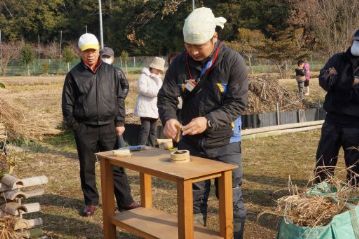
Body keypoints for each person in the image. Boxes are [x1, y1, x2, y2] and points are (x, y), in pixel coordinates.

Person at [157, 7, 248, 239]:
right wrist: (168, 118)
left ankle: (233, 235)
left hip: (226, 141)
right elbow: (166, 96)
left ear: (214, 38)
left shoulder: (232, 62)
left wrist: (208, 121)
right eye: (188, 46)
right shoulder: (180, 63)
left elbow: (237, 104)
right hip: (191, 142)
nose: (193, 51)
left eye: (199, 46)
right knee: (193, 197)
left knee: (231, 197)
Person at [62, 33, 139, 217]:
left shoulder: (112, 72)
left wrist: (120, 121)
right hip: (85, 128)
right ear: (80, 52)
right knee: (87, 167)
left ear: (99, 50)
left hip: (108, 127)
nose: (90, 54)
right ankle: (90, 201)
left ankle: (125, 201)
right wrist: (75, 126)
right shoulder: (73, 75)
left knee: (116, 165)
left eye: (93, 51)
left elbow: (119, 99)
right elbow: (67, 103)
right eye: (86, 51)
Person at [314, 29, 359, 185]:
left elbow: (333, 81)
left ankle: (354, 194)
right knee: (324, 157)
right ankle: (321, 188)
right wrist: (351, 82)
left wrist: (337, 79)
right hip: (332, 119)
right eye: (356, 40)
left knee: (355, 163)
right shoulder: (337, 58)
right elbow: (324, 80)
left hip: (356, 123)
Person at [100, 46, 129, 148]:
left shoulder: (117, 71)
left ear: (112, 58)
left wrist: (120, 97)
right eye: (104, 56)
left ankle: (121, 153)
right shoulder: (96, 72)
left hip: (116, 107)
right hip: (102, 108)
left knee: (118, 131)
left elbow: (125, 85)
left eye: (108, 57)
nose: (106, 59)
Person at [134, 57, 165, 146]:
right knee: (145, 130)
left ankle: (152, 148)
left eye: (160, 69)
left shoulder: (159, 79)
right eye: (158, 69)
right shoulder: (144, 76)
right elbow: (142, 89)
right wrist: (156, 92)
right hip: (145, 108)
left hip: (154, 108)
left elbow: (161, 91)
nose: (159, 71)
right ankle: (141, 148)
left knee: (153, 131)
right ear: (153, 67)